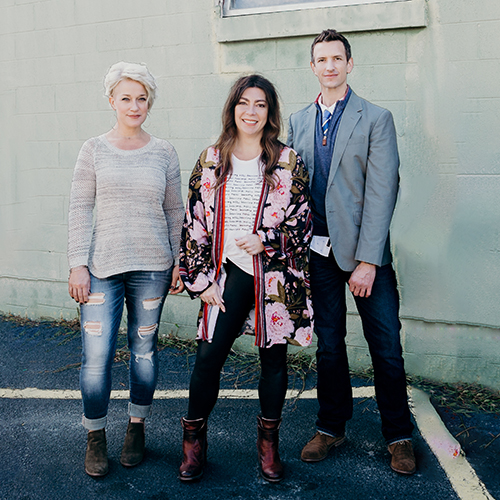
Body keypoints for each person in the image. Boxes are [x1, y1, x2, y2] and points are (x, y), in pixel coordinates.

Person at [287, 29, 416, 475]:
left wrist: (367, 260)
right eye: (321, 59)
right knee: (328, 346)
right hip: (317, 254)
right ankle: (331, 426)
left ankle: (399, 436)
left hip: (366, 257)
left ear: (349, 63)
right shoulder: (299, 122)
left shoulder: (376, 118)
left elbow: (383, 191)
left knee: (385, 347)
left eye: (337, 58)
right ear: (313, 67)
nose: (329, 66)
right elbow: (294, 190)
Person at [178, 74, 313, 483]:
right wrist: (201, 279)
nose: (251, 112)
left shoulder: (286, 161)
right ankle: (193, 441)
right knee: (208, 357)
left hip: (271, 277)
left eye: (260, 104)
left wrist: (265, 238)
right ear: (232, 108)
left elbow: (303, 221)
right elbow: (195, 222)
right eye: (244, 103)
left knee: (273, 360)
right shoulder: (211, 159)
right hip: (225, 274)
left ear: (270, 112)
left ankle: (269, 444)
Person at [67, 61, 184, 477]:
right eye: (126, 98)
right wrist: (77, 264)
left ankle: (136, 427)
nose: (134, 106)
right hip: (102, 267)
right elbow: (80, 207)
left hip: (153, 267)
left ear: (149, 102)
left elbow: (175, 211)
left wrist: (179, 262)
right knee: (96, 356)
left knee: (144, 352)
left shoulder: (164, 151)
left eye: (141, 98)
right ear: (112, 101)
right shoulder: (93, 149)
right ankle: (95, 436)